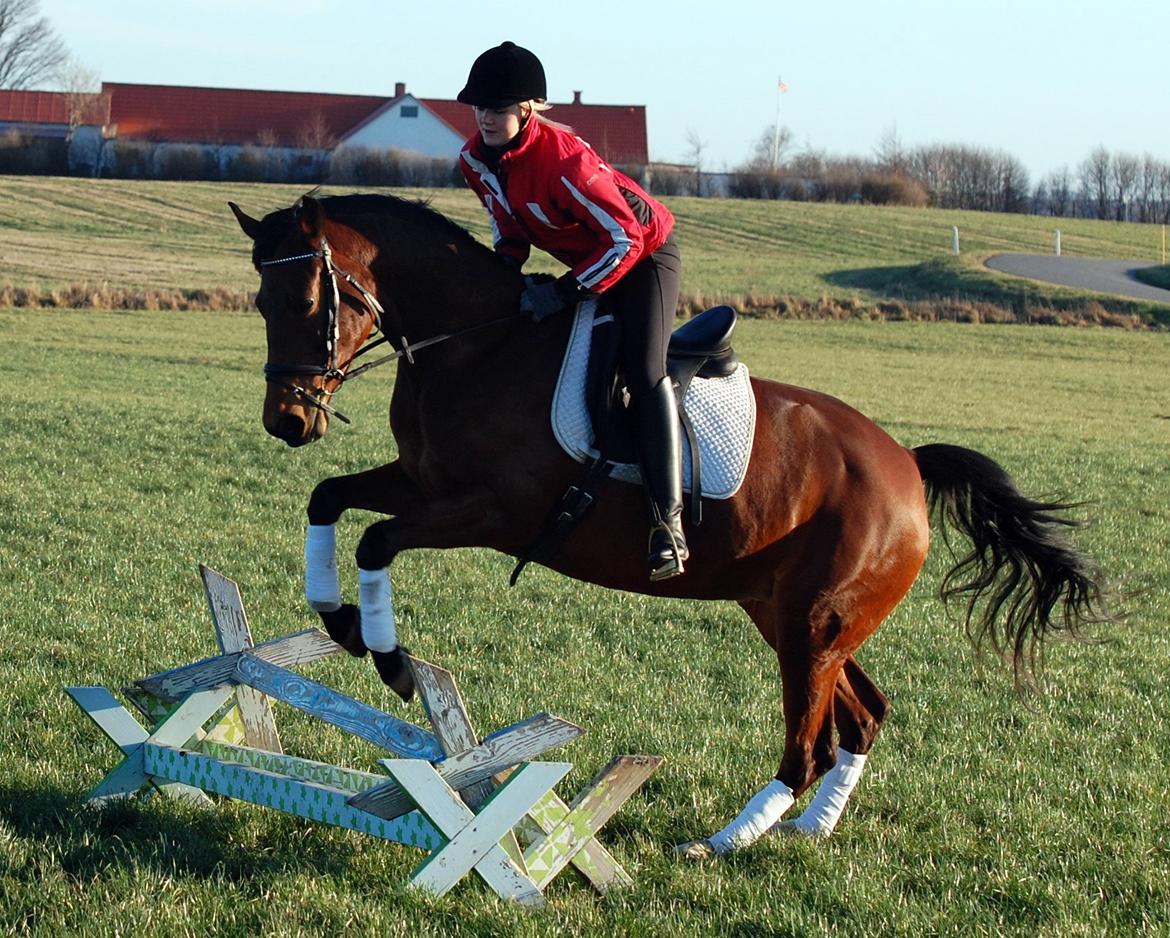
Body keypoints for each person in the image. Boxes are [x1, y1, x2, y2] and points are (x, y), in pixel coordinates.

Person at [456, 41, 689, 581]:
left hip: (645, 259)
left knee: (643, 371)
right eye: (480, 107)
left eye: (498, 109)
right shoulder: (473, 160)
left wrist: (564, 292)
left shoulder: (564, 161)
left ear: (527, 110)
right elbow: (507, 226)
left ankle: (667, 525)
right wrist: (501, 275)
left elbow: (625, 240)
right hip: (593, 261)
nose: (486, 118)